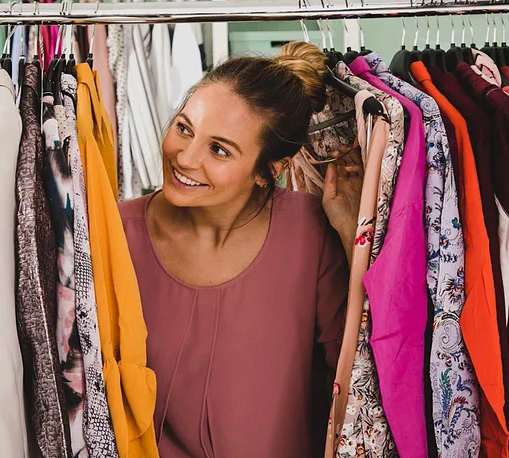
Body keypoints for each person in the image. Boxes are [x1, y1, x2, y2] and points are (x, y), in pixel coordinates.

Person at [117, 42, 363, 457]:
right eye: (183, 128)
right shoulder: (115, 235)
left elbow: (356, 375)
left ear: (269, 170)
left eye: (219, 149)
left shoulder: (311, 234)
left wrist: (352, 237)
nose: (185, 157)